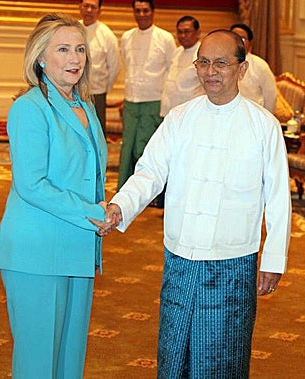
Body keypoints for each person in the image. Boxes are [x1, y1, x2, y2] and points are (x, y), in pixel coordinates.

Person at [94, 29, 291, 378]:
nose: (210, 71)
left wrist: (273, 258)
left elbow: (277, 199)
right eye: (203, 62)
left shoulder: (263, 126)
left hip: (232, 264)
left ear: (242, 70)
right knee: (175, 354)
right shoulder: (180, 117)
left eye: (221, 63)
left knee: (222, 360)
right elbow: (150, 171)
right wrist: (121, 205)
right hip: (180, 257)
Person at [0, 13, 107, 379]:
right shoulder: (29, 107)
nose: (75, 58)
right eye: (62, 49)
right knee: (38, 364)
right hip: (36, 252)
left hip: (77, 247)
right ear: (41, 58)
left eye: (79, 49)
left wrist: (107, 207)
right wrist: (93, 212)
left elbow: (87, 174)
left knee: (69, 361)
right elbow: (31, 184)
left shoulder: (84, 106)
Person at [117, 0, 176, 190]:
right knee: (127, 148)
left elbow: (171, 70)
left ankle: (147, 190)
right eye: (138, 10)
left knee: (145, 148)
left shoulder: (165, 38)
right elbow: (126, 63)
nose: (141, 14)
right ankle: (125, 189)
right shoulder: (126, 37)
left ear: (152, 12)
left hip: (153, 100)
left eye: (145, 10)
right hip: (131, 98)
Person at [79, 0, 120, 134]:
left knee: (96, 133)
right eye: (86, 6)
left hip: (97, 93)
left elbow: (114, 67)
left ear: (99, 11)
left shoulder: (107, 35)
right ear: (80, 7)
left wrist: (103, 89)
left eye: (93, 7)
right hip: (72, 91)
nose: (89, 10)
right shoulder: (73, 29)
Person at [160, 15, 205, 118]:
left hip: (190, 113)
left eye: (187, 31)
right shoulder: (177, 52)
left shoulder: (203, 54)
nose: (183, 35)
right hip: (170, 111)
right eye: (179, 32)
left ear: (198, 33)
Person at [230, 23, 277, 113]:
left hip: (254, 116)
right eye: (234, 37)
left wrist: (265, 119)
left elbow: (271, 97)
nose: (238, 41)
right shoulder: (220, 63)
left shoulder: (260, 65)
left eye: (243, 38)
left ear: (250, 43)